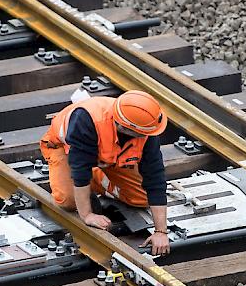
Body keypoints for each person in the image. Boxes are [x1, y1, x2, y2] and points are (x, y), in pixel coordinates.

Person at [40, 90, 171, 256]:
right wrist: (87, 215)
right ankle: (90, 180)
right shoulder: (86, 121)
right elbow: (80, 172)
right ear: (124, 127)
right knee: (68, 201)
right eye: (141, 134)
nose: (144, 137)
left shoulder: (147, 128)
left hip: (110, 156)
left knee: (141, 198)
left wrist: (161, 231)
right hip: (64, 150)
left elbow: (155, 177)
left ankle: (97, 178)